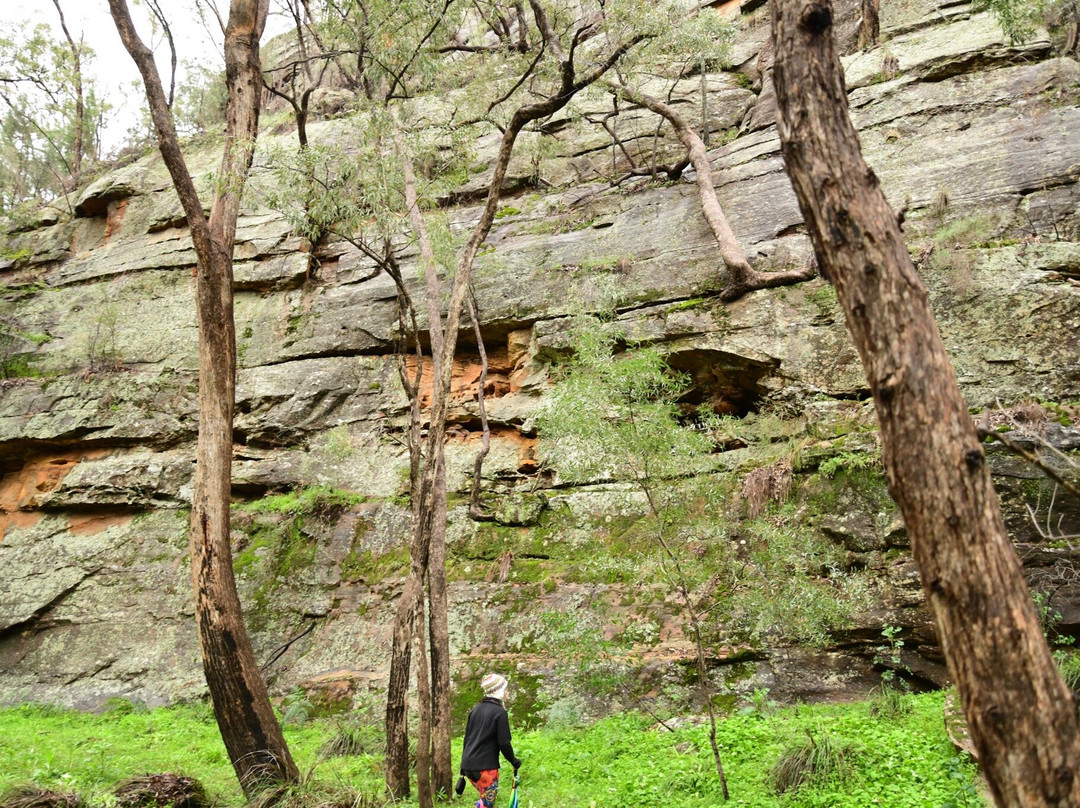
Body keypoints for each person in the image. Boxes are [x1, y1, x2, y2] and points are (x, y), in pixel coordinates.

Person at [455, 673, 521, 807]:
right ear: (499, 691)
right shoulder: (500, 712)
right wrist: (514, 761)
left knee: (484, 801)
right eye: (505, 689)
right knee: (486, 804)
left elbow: (467, 739)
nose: (507, 692)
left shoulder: (475, 709)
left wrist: (463, 767)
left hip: (469, 767)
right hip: (485, 769)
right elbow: (504, 743)